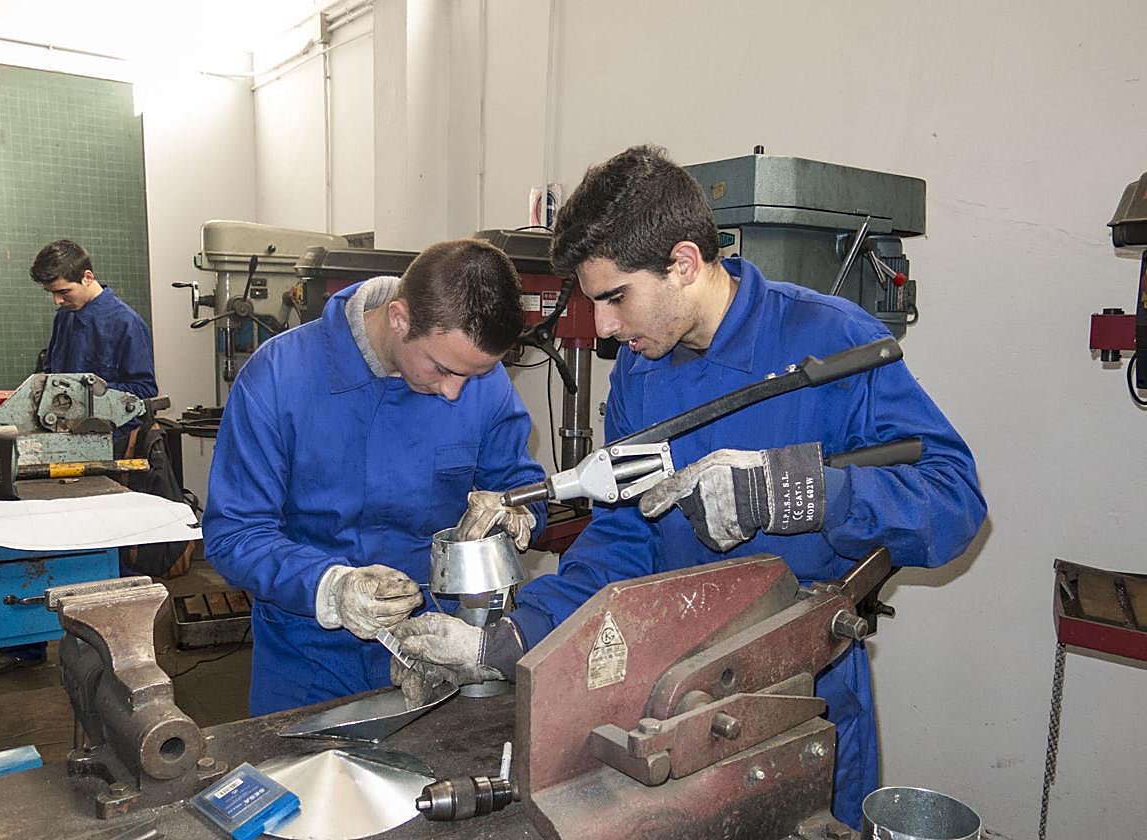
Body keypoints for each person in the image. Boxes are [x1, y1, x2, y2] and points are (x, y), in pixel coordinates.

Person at [391, 145, 988, 830]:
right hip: (668, 706)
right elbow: (620, 540)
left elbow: (954, 504)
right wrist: (511, 637)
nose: (607, 328)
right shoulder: (641, 380)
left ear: (682, 263)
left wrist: (797, 491)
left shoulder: (830, 339)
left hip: (797, 701)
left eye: (616, 298)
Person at [202, 238, 546, 717]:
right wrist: (332, 588)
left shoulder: (479, 382)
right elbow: (235, 534)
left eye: (474, 375)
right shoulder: (278, 378)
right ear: (399, 317)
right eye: (443, 370)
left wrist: (519, 512)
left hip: (440, 648)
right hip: (310, 658)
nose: (454, 393)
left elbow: (522, 487)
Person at [0, 239, 158, 677]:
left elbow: (143, 394)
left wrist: (97, 427)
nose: (57, 300)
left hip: (94, 455)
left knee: (91, 550)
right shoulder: (66, 317)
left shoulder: (126, 323)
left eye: (63, 291)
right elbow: (50, 381)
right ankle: (25, 646)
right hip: (49, 449)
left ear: (87, 276)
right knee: (34, 540)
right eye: (52, 294)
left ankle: (105, 649)